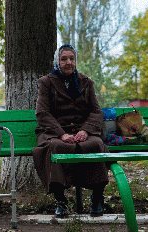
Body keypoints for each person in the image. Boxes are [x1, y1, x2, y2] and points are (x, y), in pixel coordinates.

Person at [32, 44, 109, 218]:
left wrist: (85, 131)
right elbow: (42, 113)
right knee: (56, 148)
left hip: (83, 133)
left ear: (76, 60)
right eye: (64, 59)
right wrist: (62, 134)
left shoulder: (86, 82)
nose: (68, 62)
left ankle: (97, 198)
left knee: (96, 145)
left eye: (71, 58)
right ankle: (61, 201)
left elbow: (96, 111)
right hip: (56, 133)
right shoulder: (46, 82)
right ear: (57, 62)